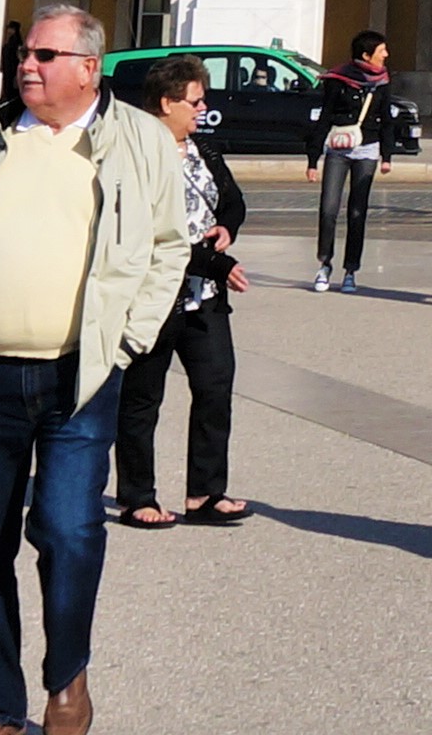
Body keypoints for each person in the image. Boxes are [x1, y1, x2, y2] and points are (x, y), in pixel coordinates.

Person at [0, 4, 191, 735]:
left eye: (44, 55)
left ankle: (67, 677)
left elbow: (170, 244)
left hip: (84, 375)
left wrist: (130, 339)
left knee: (69, 532)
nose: (25, 66)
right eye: (23, 53)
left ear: (89, 68)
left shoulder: (137, 140)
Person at [110, 59, 248, 529]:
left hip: (203, 296)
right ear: (166, 103)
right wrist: (218, 263)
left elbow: (231, 199)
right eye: (196, 100)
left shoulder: (202, 149)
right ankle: (136, 496)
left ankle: (205, 493)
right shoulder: (138, 155)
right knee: (142, 398)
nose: (203, 108)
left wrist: (226, 228)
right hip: (155, 295)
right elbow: (152, 235)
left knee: (215, 386)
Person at [304, 30, 390, 293]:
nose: (386, 55)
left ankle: (351, 270)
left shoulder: (383, 82)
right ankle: (324, 264)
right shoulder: (337, 79)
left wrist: (387, 156)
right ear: (366, 55)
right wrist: (312, 159)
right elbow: (325, 117)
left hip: (367, 149)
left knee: (357, 211)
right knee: (329, 209)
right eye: (381, 51)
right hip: (338, 149)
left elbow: (387, 119)